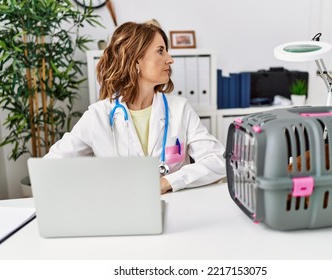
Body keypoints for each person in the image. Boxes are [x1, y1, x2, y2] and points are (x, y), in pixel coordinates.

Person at [44, 21, 226, 194]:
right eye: (160, 51)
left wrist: (168, 182)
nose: (170, 59)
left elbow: (218, 160)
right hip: (122, 211)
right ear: (136, 60)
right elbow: (51, 168)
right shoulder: (98, 115)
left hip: (177, 209)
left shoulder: (180, 109)